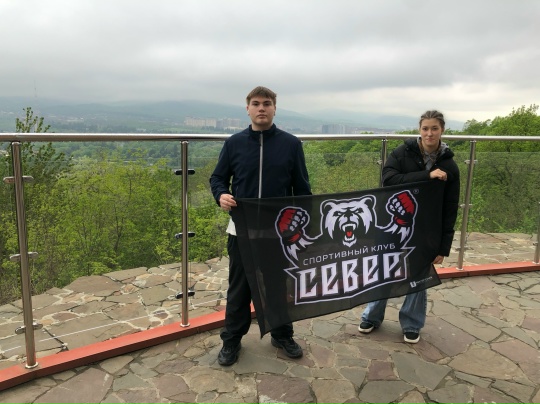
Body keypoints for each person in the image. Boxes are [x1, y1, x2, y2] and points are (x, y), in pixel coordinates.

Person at [209, 86, 312, 366]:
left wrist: (302, 228)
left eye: (267, 103)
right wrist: (221, 195)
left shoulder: (291, 144)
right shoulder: (234, 143)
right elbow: (218, 178)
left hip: (277, 233)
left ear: (275, 108)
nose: (261, 108)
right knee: (239, 289)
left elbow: (302, 189)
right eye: (256, 103)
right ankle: (232, 340)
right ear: (248, 109)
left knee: (277, 286)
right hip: (241, 230)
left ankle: (282, 334)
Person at [358, 110, 460, 344]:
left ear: (442, 130)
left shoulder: (450, 166)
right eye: (425, 128)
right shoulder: (402, 152)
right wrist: (427, 175)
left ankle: (412, 323)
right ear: (419, 130)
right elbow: (388, 178)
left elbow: (450, 207)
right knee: (383, 268)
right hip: (392, 223)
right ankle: (371, 316)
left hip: (427, 228)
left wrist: (443, 247)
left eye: (434, 128)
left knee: (419, 274)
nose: (429, 133)